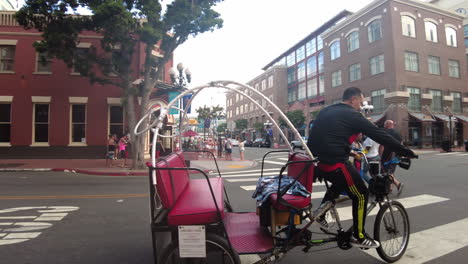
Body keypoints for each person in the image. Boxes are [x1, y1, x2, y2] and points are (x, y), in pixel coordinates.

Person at [307, 87, 416, 249]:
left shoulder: (327, 110)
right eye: (361, 101)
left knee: (339, 184)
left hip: (318, 163)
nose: (361, 105)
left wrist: (349, 151)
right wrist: (405, 151)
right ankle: (359, 235)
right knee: (362, 194)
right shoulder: (352, 115)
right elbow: (379, 135)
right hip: (336, 163)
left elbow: (322, 137)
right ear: (353, 100)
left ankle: (321, 214)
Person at [380, 120, 404, 196]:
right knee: (391, 171)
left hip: (387, 155)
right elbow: (401, 145)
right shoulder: (398, 134)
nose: (384, 126)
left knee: (386, 172)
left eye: (384, 125)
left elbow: (382, 145)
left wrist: (380, 156)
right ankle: (389, 188)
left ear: (387, 125)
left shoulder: (385, 133)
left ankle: (398, 184)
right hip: (396, 155)